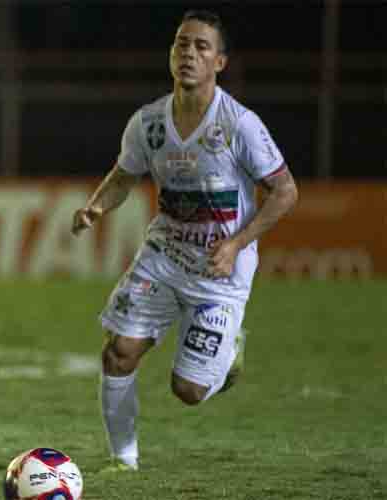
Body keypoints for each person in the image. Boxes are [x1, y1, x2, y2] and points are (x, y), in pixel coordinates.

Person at [71, 10, 298, 471]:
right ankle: (124, 460)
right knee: (118, 353)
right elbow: (123, 176)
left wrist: (236, 244)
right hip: (163, 258)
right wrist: (96, 206)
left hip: (220, 271)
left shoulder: (240, 125)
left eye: (201, 47)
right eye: (181, 44)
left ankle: (228, 350)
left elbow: (285, 191)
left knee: (188, 391)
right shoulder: (148, 122)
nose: (188, 54)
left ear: (220, 62)